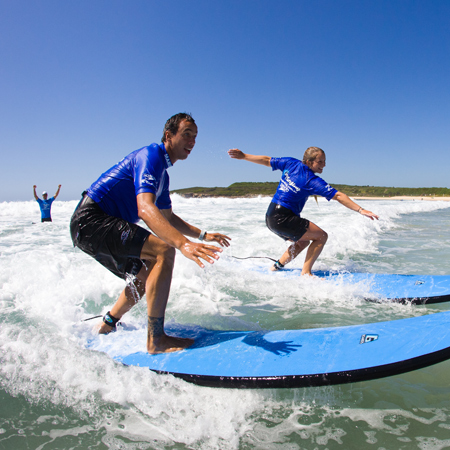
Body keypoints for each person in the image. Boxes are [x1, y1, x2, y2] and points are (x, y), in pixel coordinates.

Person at [71, 113, 231, 354]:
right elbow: (145, 209)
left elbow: (167, 217)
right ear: (169, 135)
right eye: (186, 134)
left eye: (195, 137)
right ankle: (156, 340)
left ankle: (109, 323)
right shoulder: (151, 155)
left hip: (94, 225)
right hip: (90, 220)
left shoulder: (163, 176)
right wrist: (182, 245)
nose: (192, 142)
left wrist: (202, 235)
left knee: (147, 272)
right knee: (164, 251)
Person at [228, 147, 378, 276]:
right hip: (283, 218)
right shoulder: (311, 180)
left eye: (324, 161)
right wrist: (361, 210)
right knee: (321, 236)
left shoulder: (290, 163)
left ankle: (276, 267)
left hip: (270, 216)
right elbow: (338, 195)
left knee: (303, 241)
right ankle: (306, 273)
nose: (323, 165)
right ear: (308, 161)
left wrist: (244, 156)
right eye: (320, 162)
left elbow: (267, 160)